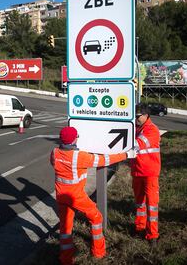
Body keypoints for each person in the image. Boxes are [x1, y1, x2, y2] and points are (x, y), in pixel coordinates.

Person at [51, 126, 136, 265]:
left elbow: (55, 163)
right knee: (96, 218)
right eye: (76, 136)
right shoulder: (79, 157)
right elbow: (104, 160)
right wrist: (126, 155)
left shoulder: (54, 153)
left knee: (65, 227)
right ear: (73, 139)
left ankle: (66, 259)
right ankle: (98, 252)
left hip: (61, 195)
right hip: (76, 196)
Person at [130, 103, 161, 241]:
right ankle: (139, 227)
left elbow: (137, 144)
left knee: (151, 205)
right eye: (134, 116)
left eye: (138, 116)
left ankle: (152, 235)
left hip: (149, 173)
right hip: (137, 171)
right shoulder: (136, 128)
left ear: (146, 115)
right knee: (139, 203)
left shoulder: (152, 129)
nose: (135, 118)